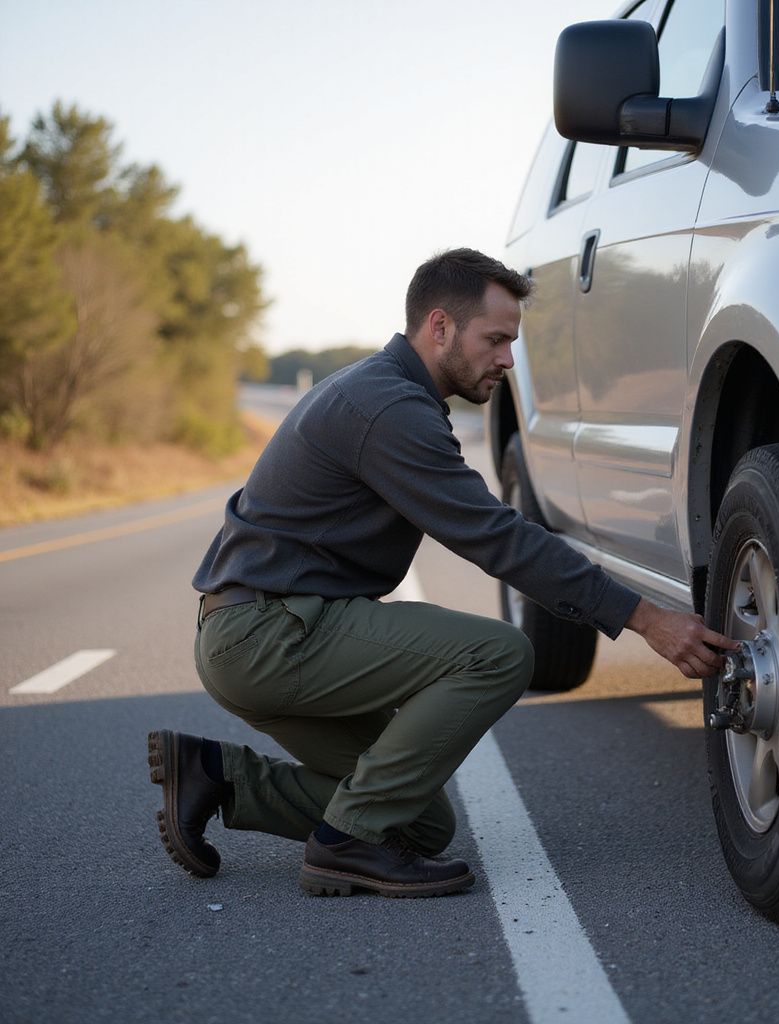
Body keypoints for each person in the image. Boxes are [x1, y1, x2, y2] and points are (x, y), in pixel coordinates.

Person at [148, 248, 736, 899]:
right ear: (439, 327)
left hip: (257, 631)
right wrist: (647, 619)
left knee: (421, 822)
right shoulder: (387, 407)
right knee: (499, 653)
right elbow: (494, 536)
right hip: (268, 634)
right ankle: (344, 848)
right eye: (497, 340)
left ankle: (218, 775)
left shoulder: (384, 392)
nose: (509, 360)